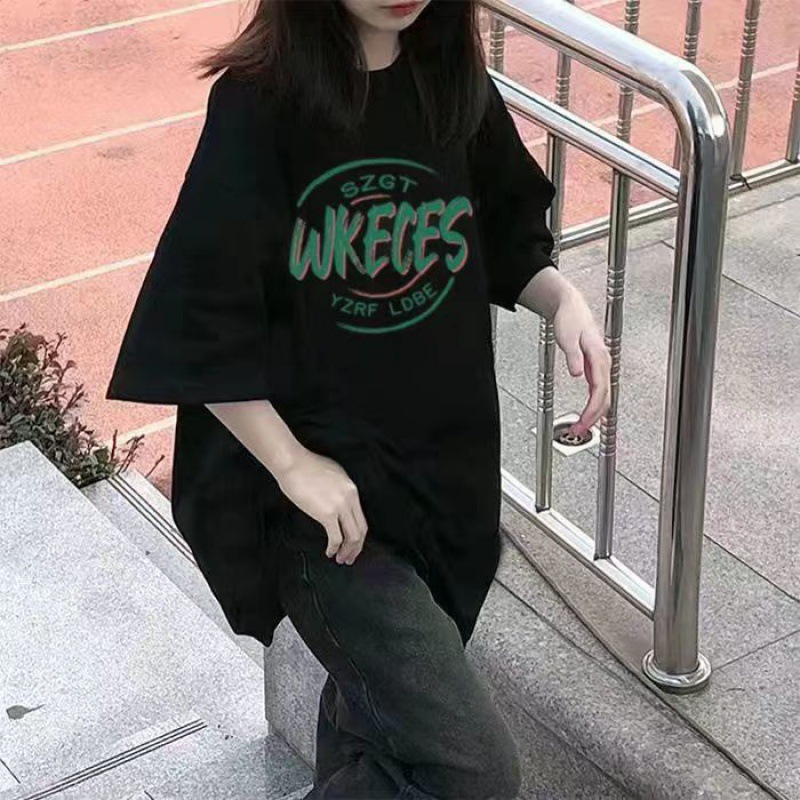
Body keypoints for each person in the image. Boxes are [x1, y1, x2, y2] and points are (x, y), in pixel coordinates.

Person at [106, 0, 611, 797]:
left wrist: (561, 300)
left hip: (442, 477)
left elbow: (501, 223)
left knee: (378, 726)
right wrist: (292, 465)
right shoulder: (261, 102)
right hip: (327, 518)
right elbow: (201, 309)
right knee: (470, 769)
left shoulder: (448, 77)